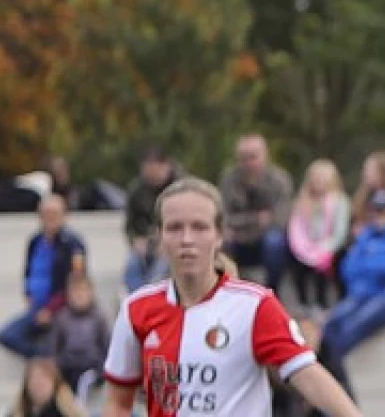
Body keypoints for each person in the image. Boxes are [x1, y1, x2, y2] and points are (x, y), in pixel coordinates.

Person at [99, 177, 362, 417]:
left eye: (200, 227)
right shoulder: (137, 309)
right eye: (175, 228)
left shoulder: (254, 306)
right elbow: (118, 402)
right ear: (160, 236)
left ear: (219, 236)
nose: (187, 239)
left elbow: (309, 375)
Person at [323, 188, 385, 362]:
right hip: (364, 296)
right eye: (376, 209)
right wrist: (383, 262)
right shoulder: (367, 235)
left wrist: (370, 263)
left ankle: (334, 373)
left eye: (384, 209)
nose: (380, 214)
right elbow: (348, 269)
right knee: (331, 323)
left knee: (351, 327)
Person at [0, 194, 87, 359]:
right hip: (36, 307)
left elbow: (76, 281)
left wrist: (51, 309)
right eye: (45, 214)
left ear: (64, 215)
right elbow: (28, 271)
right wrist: (28, 293)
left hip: (60, 310)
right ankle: (44, 358)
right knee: (7, 336)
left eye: (54, 213)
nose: (49, 218)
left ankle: (49, 361)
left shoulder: (72, 244)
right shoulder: (35, 241)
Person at [220, 134, 295, 293]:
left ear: (265, 156)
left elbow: (280, 219)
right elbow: (223, 218)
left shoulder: (280, 180)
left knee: (274, 241)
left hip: (265, 240)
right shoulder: (229, 180)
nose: (248, 163)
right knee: (221, 241)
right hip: (237, 239)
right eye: (243, 158)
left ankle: (272, 292)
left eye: (253, 157)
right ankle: (227, 292)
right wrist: (255, 219)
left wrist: (242, 224)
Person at [288, 159, 351, 312]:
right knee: (296, 261)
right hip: (306, 246)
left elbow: (340, 233)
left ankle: (326, 303)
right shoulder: (301, 203)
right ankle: (303, 303)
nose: (318, 181)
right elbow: (296, 230)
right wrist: (305, 248)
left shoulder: (340, 202)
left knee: (327, 261)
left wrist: (323, 248)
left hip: (331, 246)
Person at [122, 148, 184, 292]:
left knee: (161, 266)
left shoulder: (182, 188)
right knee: (133, 264)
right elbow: (129, 225)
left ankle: (152, 296)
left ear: (166, 167)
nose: (151, 177)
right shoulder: (137, 191)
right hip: (146, 241)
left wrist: (169, 239)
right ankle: (136, 297)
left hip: (173, 243)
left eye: (154, 172)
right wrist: (135, 240)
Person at [47, 274, 109, 399]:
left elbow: (106, 347)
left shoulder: (99, 318)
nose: (79, 295)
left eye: (83, 291)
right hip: (67, 370)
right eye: (75, 291)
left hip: (93, 369)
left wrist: (101, 371)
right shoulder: (61, 318)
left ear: (91, 292)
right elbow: (53, 348)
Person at [9, 358, 85, 417]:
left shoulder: (65, 412)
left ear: (55, 385)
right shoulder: (21, 411)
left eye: (43, 382)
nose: (38, 385)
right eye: (34, 380)